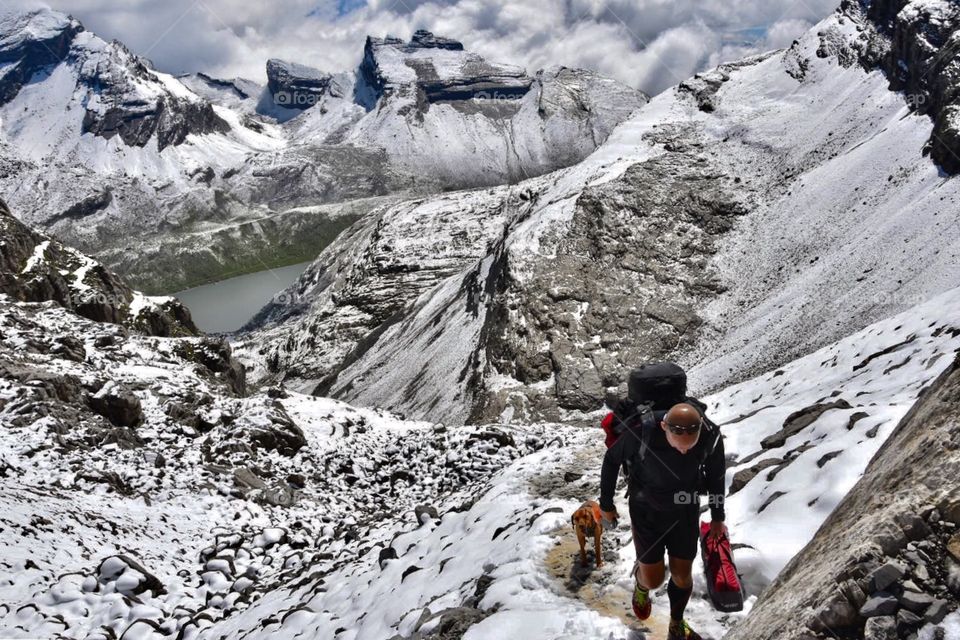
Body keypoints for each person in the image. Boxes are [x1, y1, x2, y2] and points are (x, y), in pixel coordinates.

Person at [599, 402, 727, 640]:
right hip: (646, 510)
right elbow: (611, 460)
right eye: (679, 447)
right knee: (653, 579)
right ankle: (641, 583)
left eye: (690, 448)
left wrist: (718, 517)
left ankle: (676, 624)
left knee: (682, 574)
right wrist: (606, 505)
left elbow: (716, 476)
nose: (684, 452)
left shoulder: (709, 436)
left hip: (685, 509)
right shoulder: (642, 432)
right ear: (664, 427)